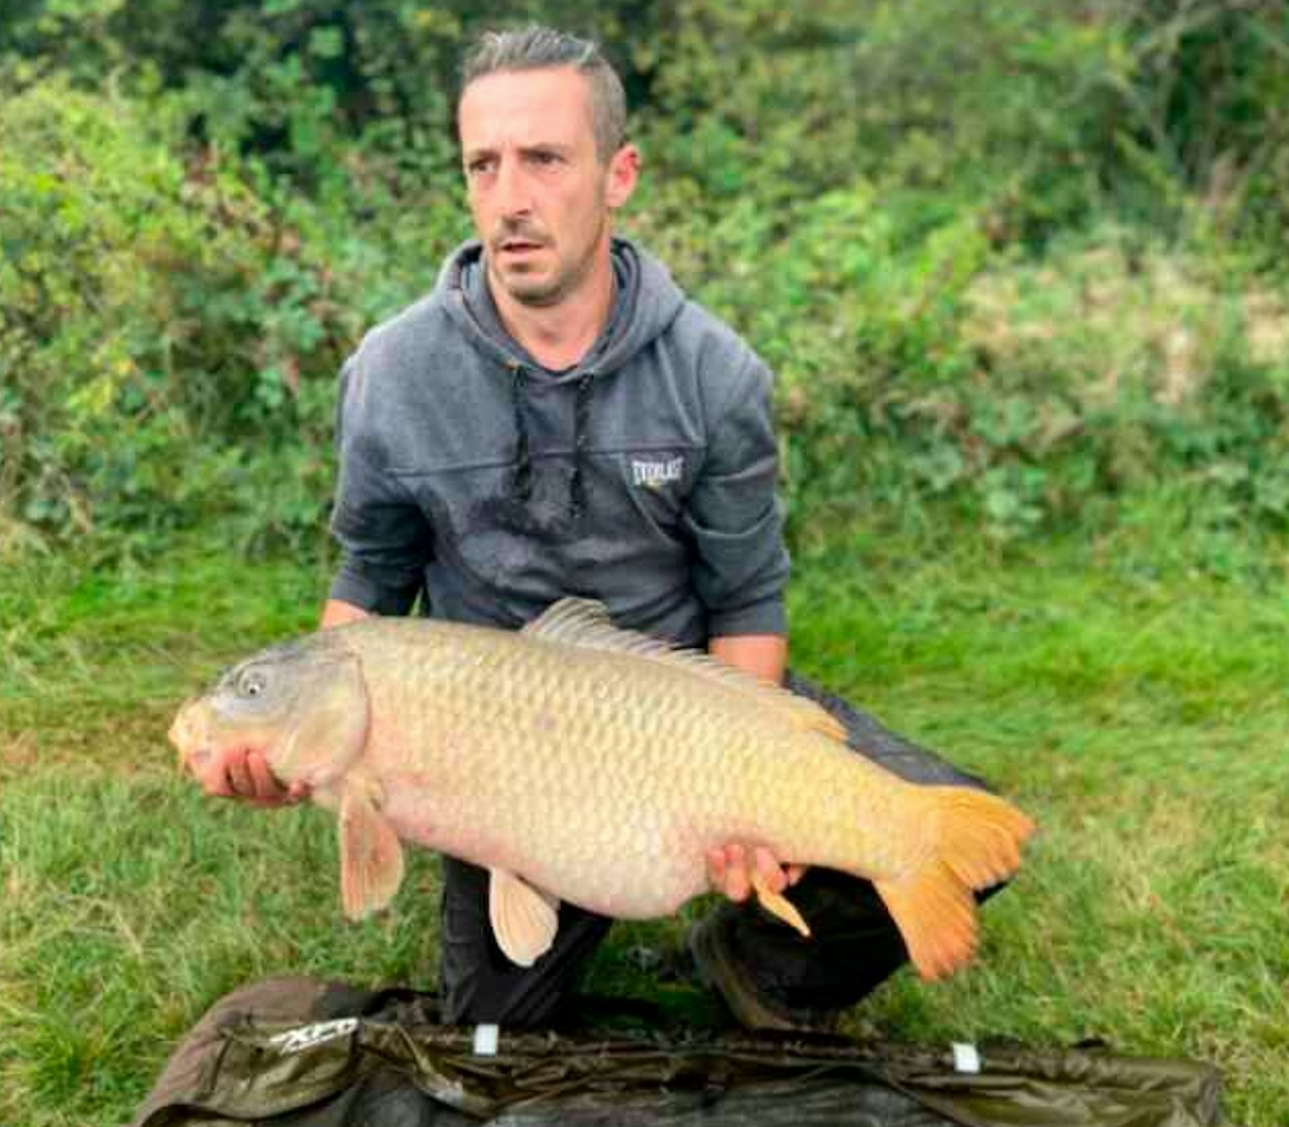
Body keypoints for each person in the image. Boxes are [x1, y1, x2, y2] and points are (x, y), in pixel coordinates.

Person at [191, 25, 1003, 1030]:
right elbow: (372, 573)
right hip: (496, 748)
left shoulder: (715, 373)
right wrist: (307, 742)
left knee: (928, 818)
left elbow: (746, 597)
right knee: (498, 1024)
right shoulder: (394, 373)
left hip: (680, 711)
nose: (510, 199)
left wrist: (740, 797)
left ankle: (752, 960)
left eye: (544, 158)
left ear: (619, 174)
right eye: (483, 164)